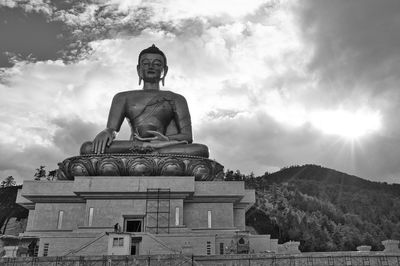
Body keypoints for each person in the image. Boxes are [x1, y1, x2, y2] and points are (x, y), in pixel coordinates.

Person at [80, 45, 209, 158]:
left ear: (165, 70)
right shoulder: (122, 97)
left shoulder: (177, 99)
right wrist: (106, 132)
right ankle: (148, 152)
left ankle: (146, 153)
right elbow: (112, 129)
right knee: (87, 148)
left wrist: (165, 140)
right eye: (146, 63)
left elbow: (187, 137)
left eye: (157, 64)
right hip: (134, 146)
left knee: (201, 150)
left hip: (163, 145)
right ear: (139, 69)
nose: (151, 67)